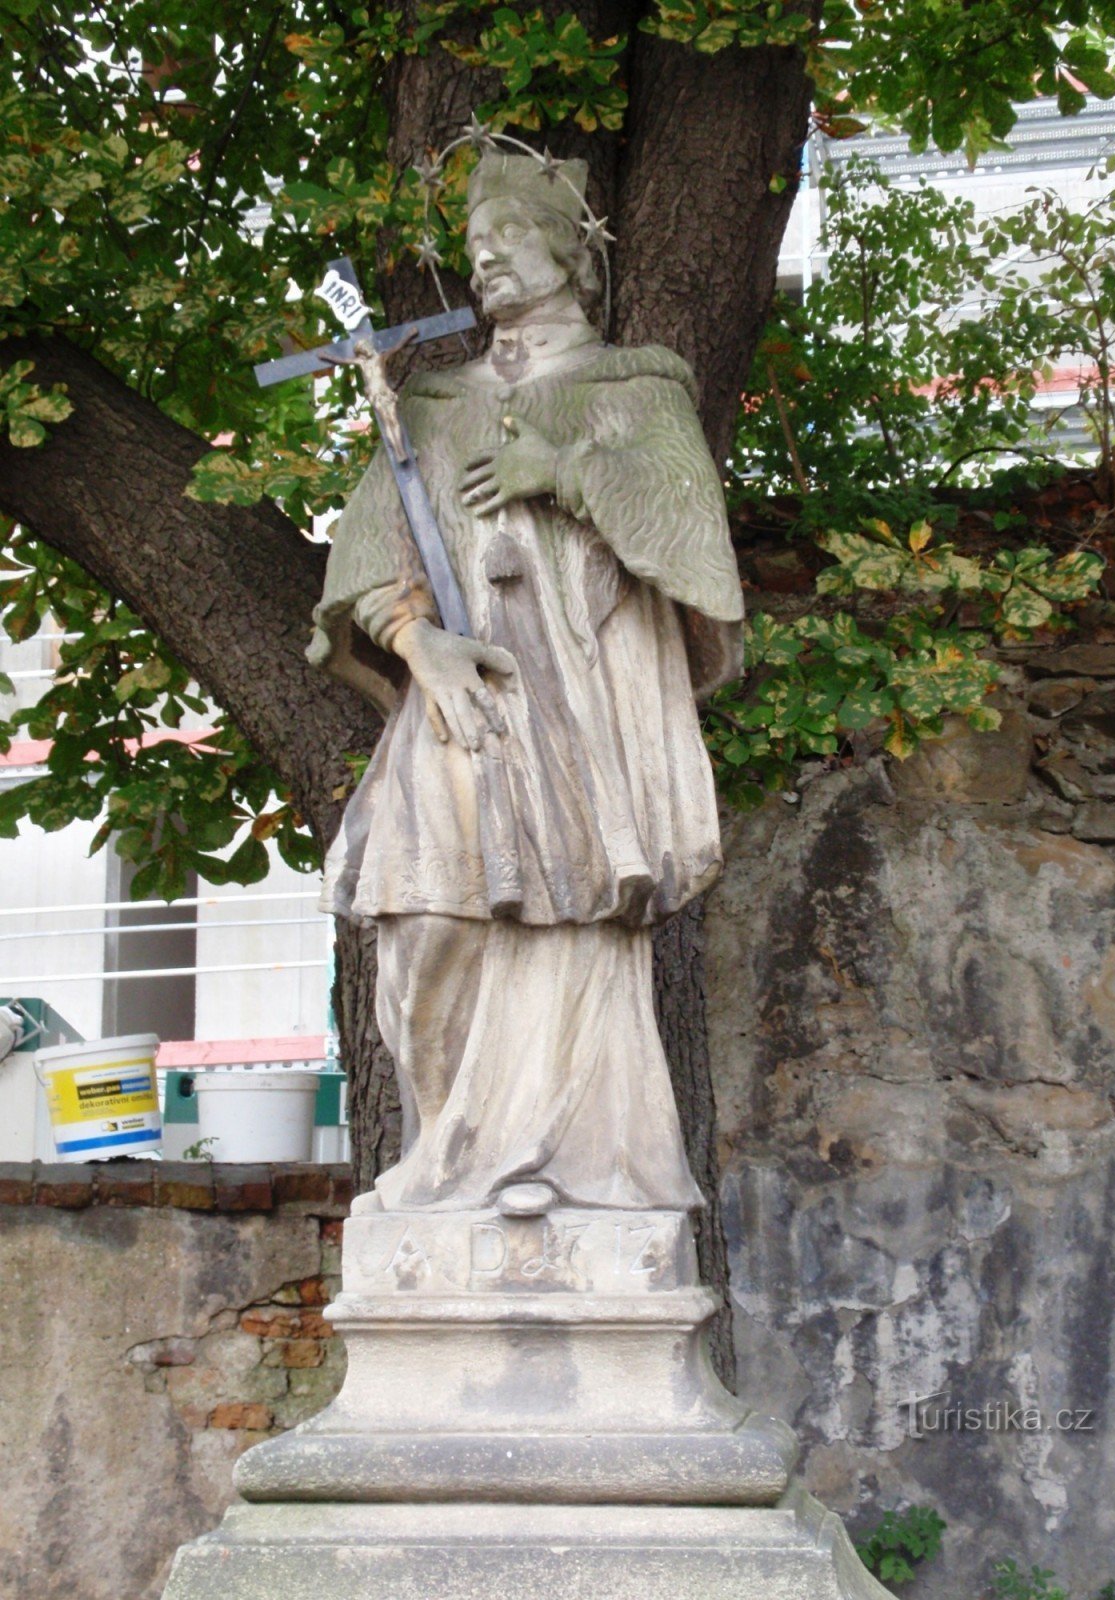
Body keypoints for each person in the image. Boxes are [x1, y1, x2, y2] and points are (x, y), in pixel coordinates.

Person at [308, 151, 744, 1215]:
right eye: (473, 246)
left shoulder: (632, 386)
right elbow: (371, 553)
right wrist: (418, 645)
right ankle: (445, 1156)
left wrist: (569, 471)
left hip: (580, 698)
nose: (487, 258)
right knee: (420, 916)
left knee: (575, 923)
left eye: (508, 234)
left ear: (568, 251)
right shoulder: (437, 399)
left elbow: (691, 538)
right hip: (459, 693)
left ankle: (564, 1163)